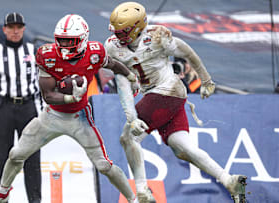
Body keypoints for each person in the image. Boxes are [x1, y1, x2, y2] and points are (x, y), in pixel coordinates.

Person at [0, 14, 140, 203]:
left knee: (104, 165)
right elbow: (47, 95)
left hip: (80, 117)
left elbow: (112, 64)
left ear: (82, 39)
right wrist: (71, 96)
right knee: (15, 155)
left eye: (69, 41)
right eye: (61, 40)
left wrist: (130, 77)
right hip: (52, 116)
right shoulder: (47, 55)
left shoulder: (95, 53)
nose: (64, 45)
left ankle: (133, 198)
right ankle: (2, 193)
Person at [105, 2, 247, 203]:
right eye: (117, 31)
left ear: (137, 27)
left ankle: (142, 192)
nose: (118, 35)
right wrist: (132, 116)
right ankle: (229, 180)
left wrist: (206, 79)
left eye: (123, 31)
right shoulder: (112, 46)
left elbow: (187, 52)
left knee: (127, 139)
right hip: (168, 96)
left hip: (166, 91)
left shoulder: (157, 36)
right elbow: (122, 84)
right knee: (182, 148)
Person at [0, 12, 42, 203]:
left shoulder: (33, 52)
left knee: (32, 158)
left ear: (23, 29)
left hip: (28, 108)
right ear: (4, 29)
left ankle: (35, 200)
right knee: (3, 159)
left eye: (18, 27)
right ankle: (1, 199)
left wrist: (41, 113)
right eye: (11, 27)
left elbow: (41, 85)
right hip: (3, 108)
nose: (15, 31)